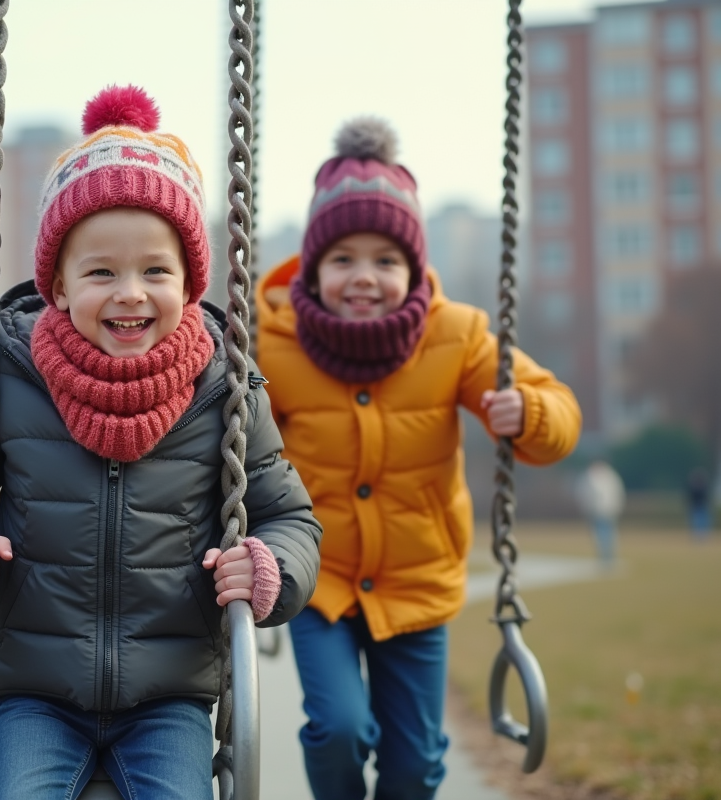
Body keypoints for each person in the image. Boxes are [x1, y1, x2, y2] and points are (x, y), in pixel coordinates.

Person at [0, 86, 322, 800]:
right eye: (101, 272)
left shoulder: (226, 390)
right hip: (36, 695)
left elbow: (289, 517)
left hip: (169, 699)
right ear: (58, 287)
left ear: (189, 285)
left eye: (156, 270)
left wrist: (268, 567)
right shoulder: (7, 375)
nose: (130, 292)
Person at [254, 118, 582, 800]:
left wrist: (531, 413)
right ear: (312, 266)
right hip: (321, 580)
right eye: (342, 259)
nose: (364, 277)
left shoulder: (456, 336)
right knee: (338, 729)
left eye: (385, 260)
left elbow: (560, 413)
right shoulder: (272, 341)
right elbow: (238, 441)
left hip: (417, 578)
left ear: (413, 267)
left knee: (414, 762)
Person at [576, 460, 625, 564]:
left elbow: (617, 492)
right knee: (599, 534)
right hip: (596, 510)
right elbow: (583, 494)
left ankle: (608, 556)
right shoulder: (590, 476)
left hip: (607, 510)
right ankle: (604, 556)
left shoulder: (609, 476)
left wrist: (617, 506)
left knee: (607, 534)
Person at [685, 468, 711, 538]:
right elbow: (690, 498)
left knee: (703, 521)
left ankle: (703, 535)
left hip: (702, 507)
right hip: (695, 507)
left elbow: (706, 498)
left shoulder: (703, 488)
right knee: (696, 521)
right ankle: (697, 535)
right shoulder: (693, 489)